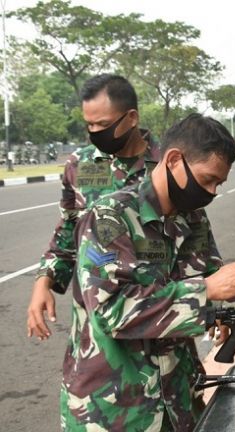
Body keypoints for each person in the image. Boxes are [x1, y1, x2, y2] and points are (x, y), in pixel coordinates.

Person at [60, 114, 235, 431]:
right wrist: (205, 290)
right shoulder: (110, 218)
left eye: (218, 184)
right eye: (207, 179)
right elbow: (111, 312)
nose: (211, 192)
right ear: (173, 160)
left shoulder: (193, 219)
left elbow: (217, 287)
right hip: (115, 411)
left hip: (178, 398)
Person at [27, 74, 160, 341]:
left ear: (132, 117)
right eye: (89, 125)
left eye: (103, 124)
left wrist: (211, 303)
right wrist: (43, 282)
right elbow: (68, 230)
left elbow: (193, 240)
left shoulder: (167, 164)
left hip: (160, 315)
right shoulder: (80, 164)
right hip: (96, 328)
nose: (96, 132)